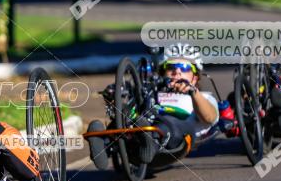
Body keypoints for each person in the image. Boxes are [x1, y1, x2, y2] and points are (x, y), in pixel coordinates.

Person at [88, 44, 219, 168]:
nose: (177, 72)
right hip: (141, 123)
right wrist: (113, 95)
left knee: (166, 124)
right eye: (171, 67)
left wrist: (193, 92)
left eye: (184, 67)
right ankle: (103, 142)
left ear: (195, 77)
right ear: (163, 72)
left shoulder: (202, 97)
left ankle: (150, 140)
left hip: (175, 134)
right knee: (127, 113)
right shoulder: (151, 91)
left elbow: (210, 118)